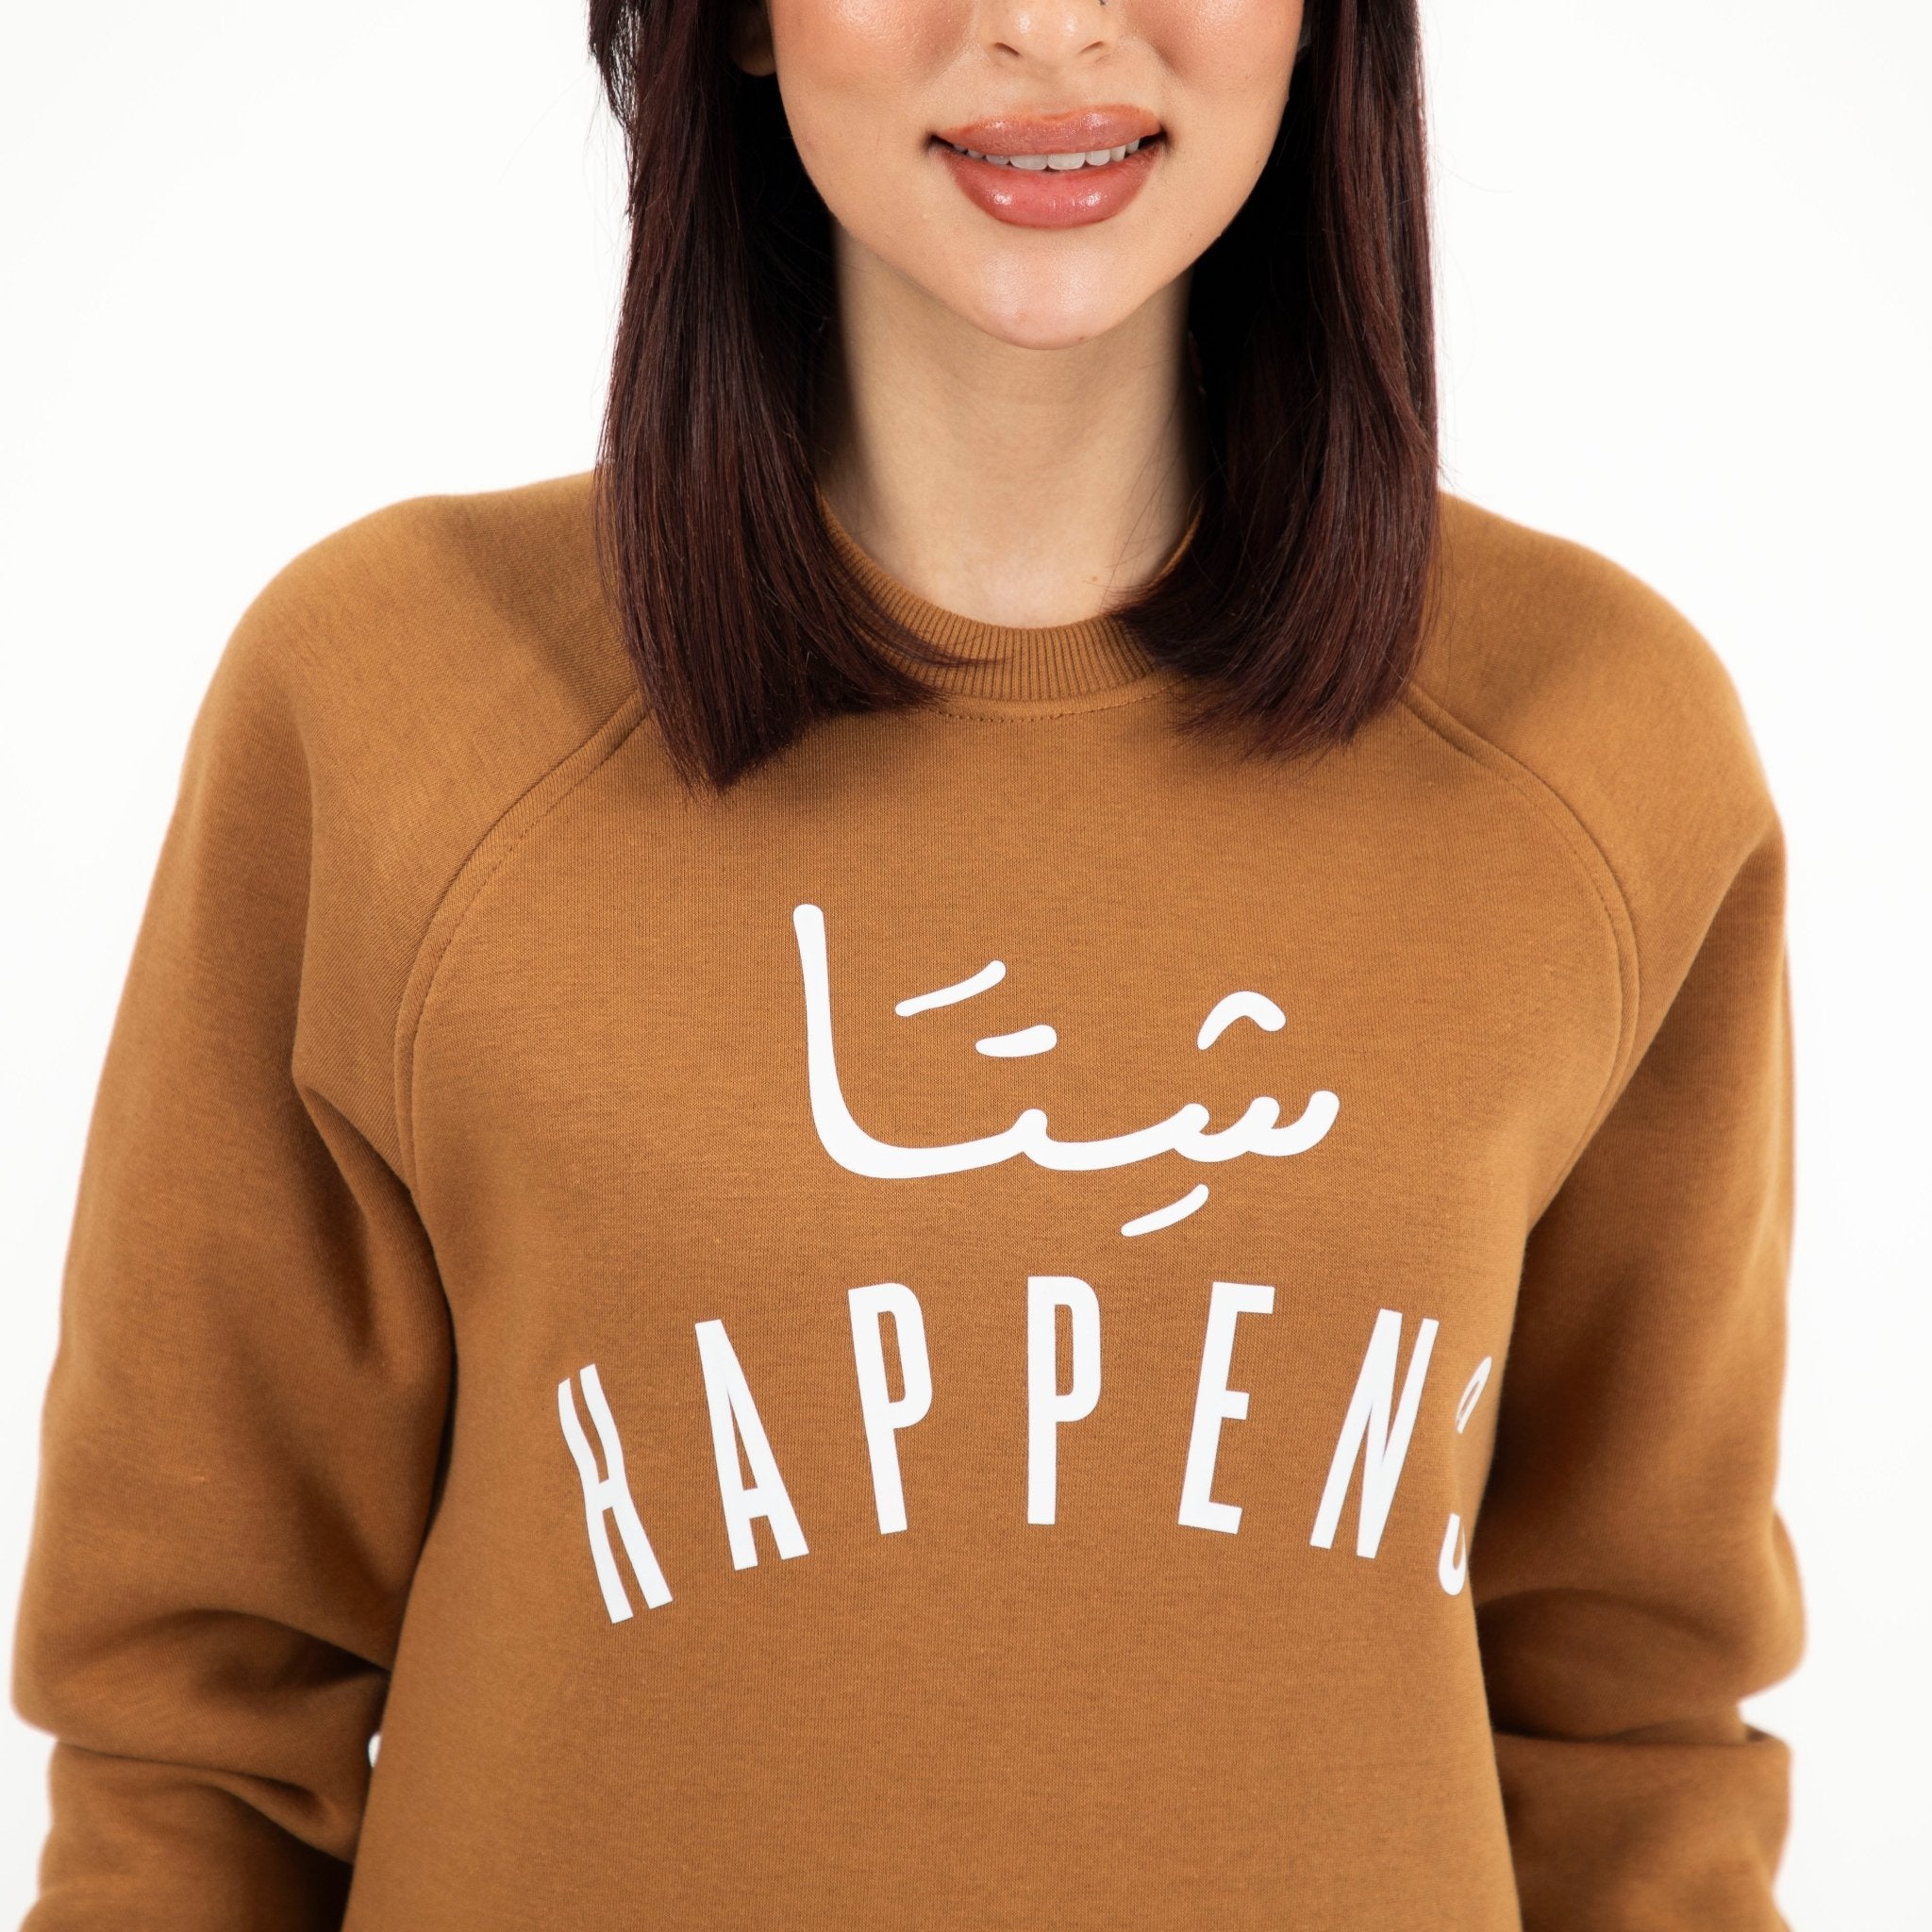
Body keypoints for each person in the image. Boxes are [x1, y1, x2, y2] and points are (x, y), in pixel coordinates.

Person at [10, 0, 1803, 1925]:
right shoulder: (395, 709)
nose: (1048, 28)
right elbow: (190, 1750)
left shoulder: (1592, 751)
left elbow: (1631, 1741)